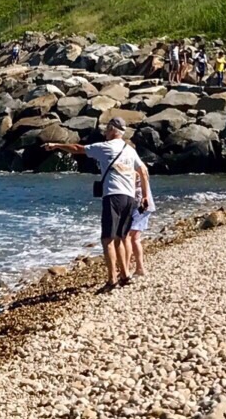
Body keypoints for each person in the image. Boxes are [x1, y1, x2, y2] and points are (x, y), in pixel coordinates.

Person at [41, 121, 150, 291]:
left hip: (113, 195)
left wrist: (57, 145)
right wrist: (144, 196)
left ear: (112, 131)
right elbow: (143, 171)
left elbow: (78, 148)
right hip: (130, 198)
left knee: (107, 239)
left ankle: (112, 279)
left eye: (107, 129)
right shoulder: (130, 150)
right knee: (121, 238)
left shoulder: (106, 147)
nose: (105, 132)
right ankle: (126, 275)